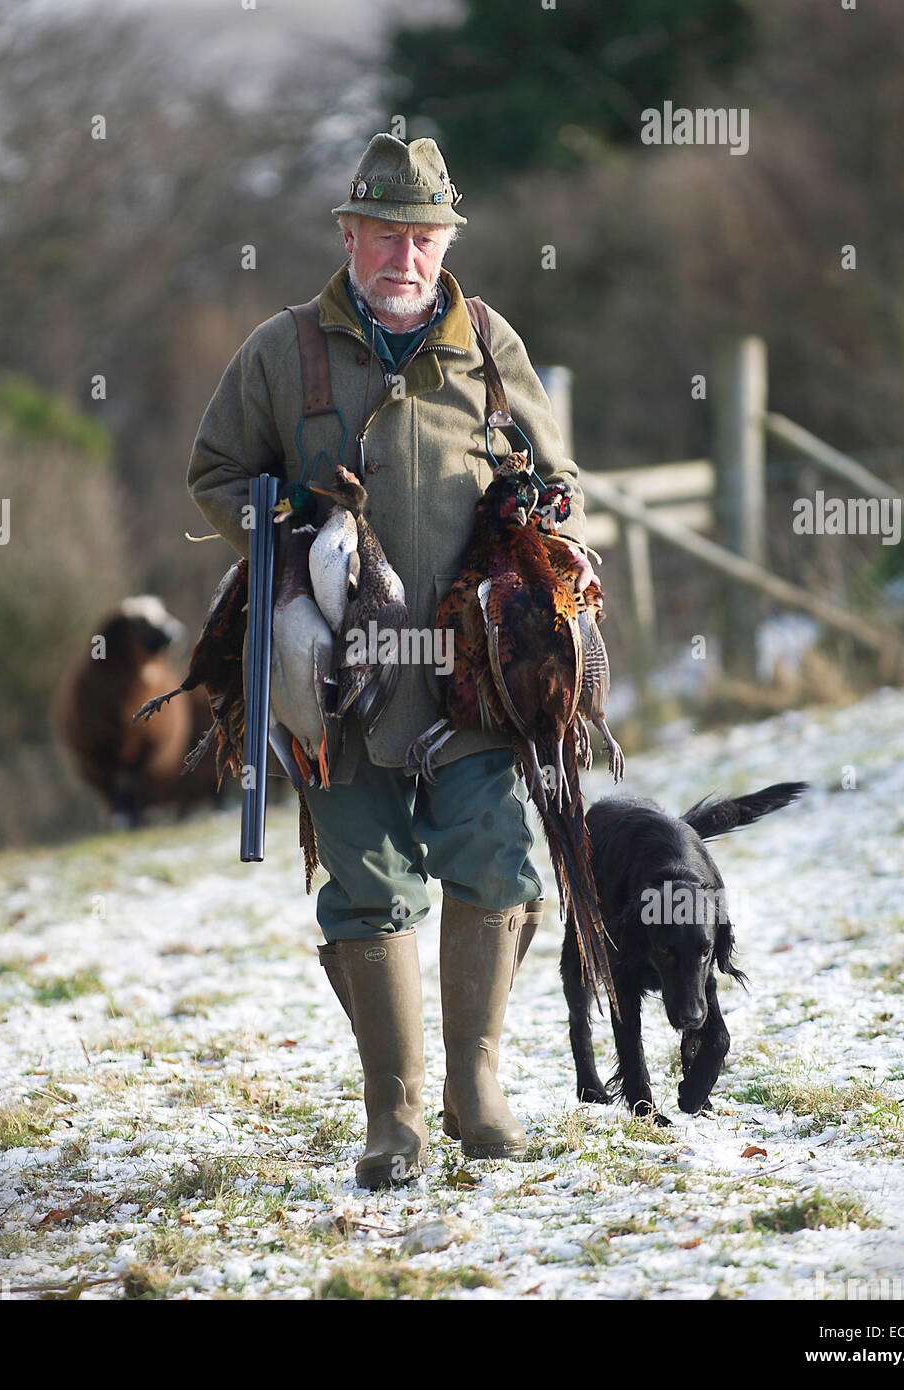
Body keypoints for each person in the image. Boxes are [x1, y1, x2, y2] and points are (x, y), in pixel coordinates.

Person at [188, 133, 588, 1187]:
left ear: (446, 241)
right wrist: (279, 528)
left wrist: (531, 523)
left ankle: (478, 1090)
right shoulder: (282, 352)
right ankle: (395, 1118)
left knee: (497, 863)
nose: (404, 255)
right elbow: (215, 471)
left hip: (473, 682)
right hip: (341, 684)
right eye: (383, 235)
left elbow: (563, 487)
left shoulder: (492, 346)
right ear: (351, 238)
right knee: (365, 891)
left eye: (424, 236)